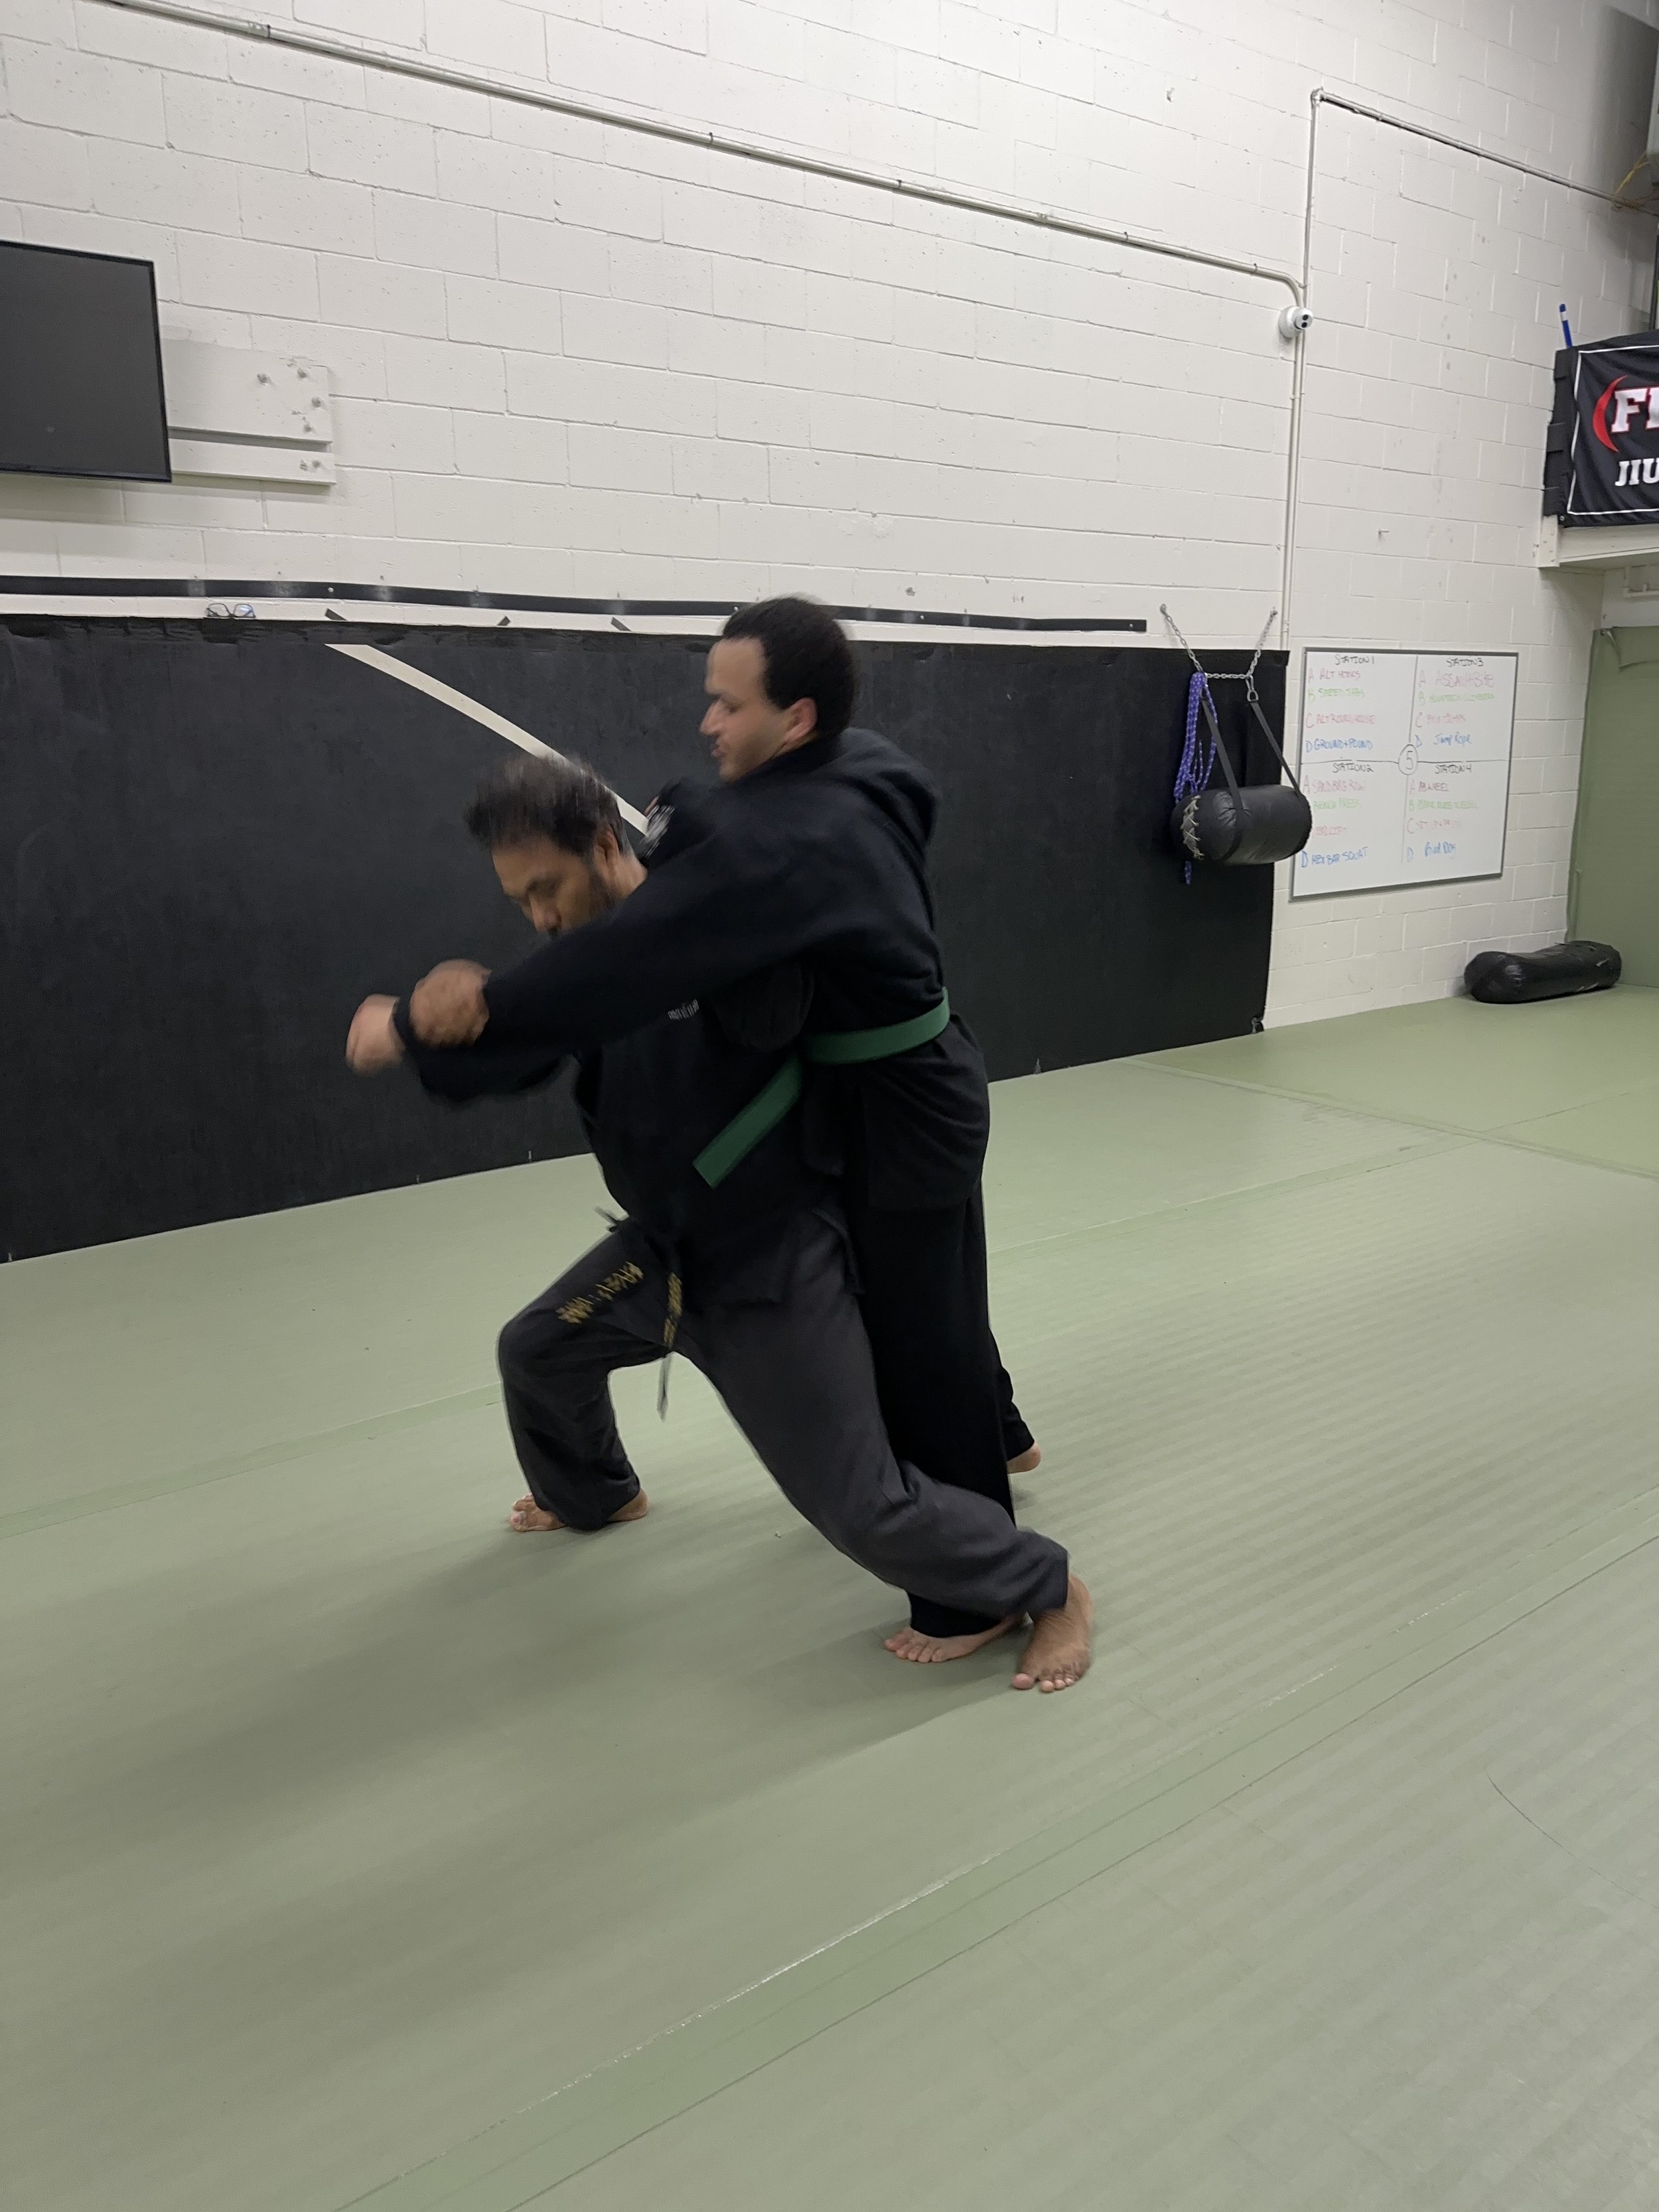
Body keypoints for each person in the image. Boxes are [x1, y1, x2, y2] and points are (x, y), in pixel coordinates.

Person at [347, 755, 1092, 1693]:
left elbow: (750, 926)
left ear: (605, 846)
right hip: (660, 1257)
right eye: (519, 899)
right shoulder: (590, 968)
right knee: (535, 1351)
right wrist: (428, 1028)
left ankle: (1049, 1586)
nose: (538, 917)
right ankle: (597, 1494)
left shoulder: (723, 935)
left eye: (546, 888)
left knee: (863, 1506)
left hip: (763, 1266)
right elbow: (518, 1045)